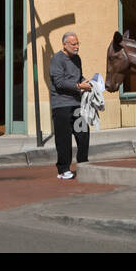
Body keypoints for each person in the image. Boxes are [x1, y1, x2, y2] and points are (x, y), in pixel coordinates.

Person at [49, 31, 91, 180]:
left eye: (78, 43)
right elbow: (59, 83)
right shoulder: (57, 59)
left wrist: (89, 82)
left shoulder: (77, 59)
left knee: (83, 134)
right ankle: (63, 169)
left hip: (77, 104)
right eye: (73, 44)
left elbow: (78, 77)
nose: (77, 46)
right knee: (64, 139)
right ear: (64, 44)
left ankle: (83, 164)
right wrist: (79, 86)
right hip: (61, 105)